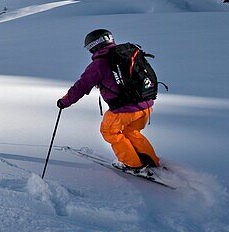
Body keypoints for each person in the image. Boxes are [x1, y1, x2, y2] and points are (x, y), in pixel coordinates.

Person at [57, 29, 160, 173]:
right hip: (146, 106)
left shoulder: (99, 64)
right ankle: (152, 161)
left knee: (110, 132)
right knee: (132, 132)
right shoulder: (126, 54)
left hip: (124, 109)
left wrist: (65, 101)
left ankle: (133, 165)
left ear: (94, 46)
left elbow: (81, 86)